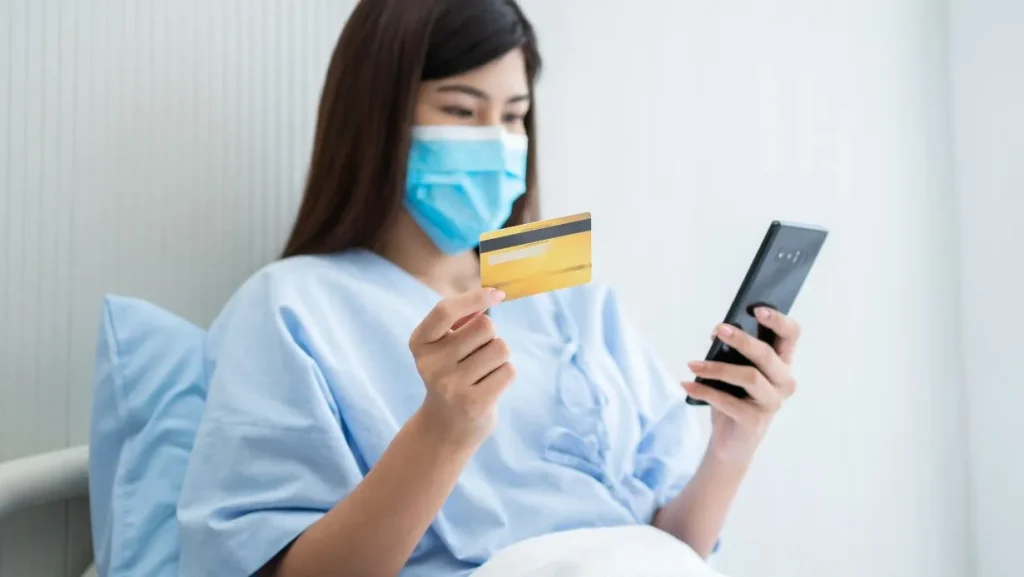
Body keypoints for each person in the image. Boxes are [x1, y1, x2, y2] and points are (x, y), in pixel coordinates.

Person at [176, 0, 803, 576]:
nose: (496, 141)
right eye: (459, 110)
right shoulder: (291, 305)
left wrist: (732, 444)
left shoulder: (568, 293)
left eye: (514, 116)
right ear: (377, 116)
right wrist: (444, 431)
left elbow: (675, 542)